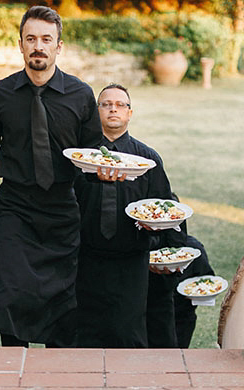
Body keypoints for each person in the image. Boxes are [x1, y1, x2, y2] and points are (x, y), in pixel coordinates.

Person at [0, 6, 113, 347]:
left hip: (61, 210)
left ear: (59, 46)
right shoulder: (1, 94)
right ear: (20, 45)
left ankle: (55, 373)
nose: (38, 46)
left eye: (46, 39)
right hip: (15, 207)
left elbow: (93, 155)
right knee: (10, 288)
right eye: (31, 39)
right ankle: (15, 365)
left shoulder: (81, 95)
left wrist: (105, 181)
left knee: (61, 296)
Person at [74, 83, 178, 348]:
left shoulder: (147, 159)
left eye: (120, 105)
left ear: (130, 113)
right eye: (106, 104)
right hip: (85, 258)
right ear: (96, 112)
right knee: (85, 333)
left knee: (128, 333)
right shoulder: (79, 156)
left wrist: (162, 235)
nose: (113, 109)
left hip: (132, 260)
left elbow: (165, 204)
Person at [147, 223, 216, 348]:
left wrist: (199, 294)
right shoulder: (145, 253)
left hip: (181, 315)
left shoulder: (194, 250)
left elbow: (207, 281)